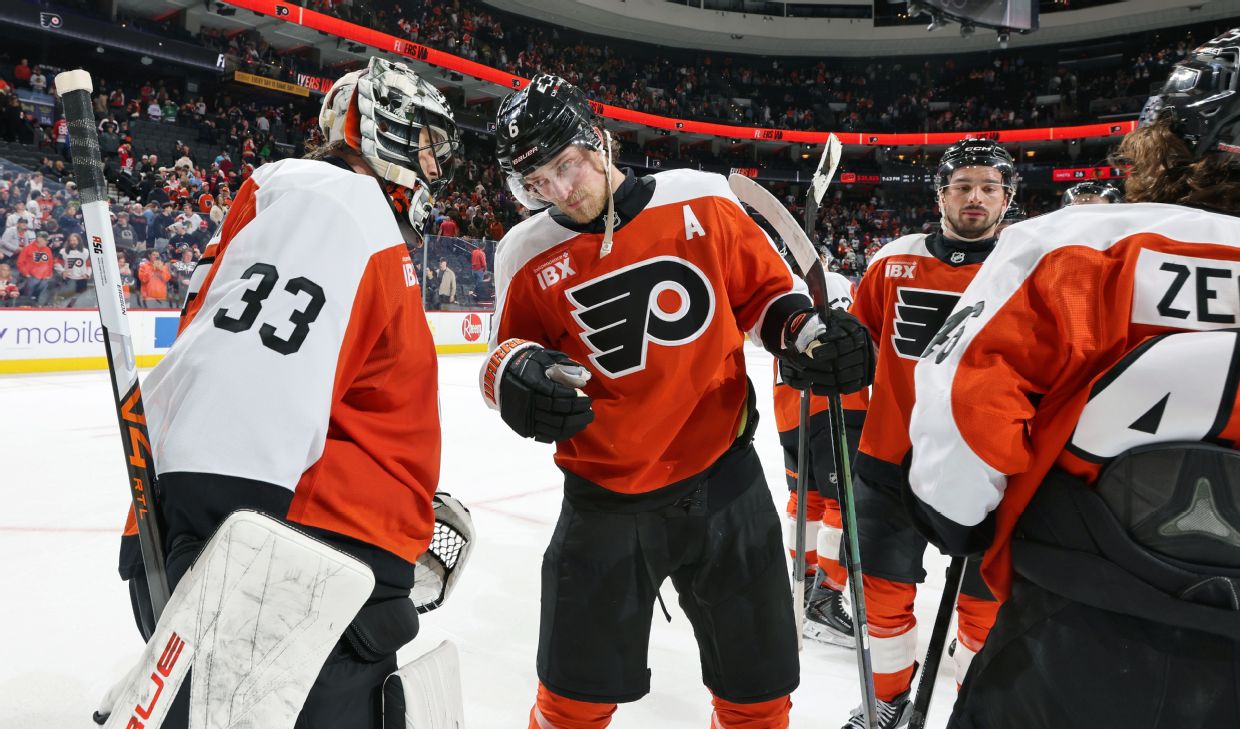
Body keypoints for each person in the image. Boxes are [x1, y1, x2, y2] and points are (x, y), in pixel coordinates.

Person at [908, 26, 1240, 729]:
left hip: (1077, 623)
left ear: (1176, 138)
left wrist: (958, 517)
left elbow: (964, 402)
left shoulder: (1077, 241)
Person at [481, 73, 871, 729]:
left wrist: (808, 334)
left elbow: (766, 297)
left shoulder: (701, 197)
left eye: (565, 165)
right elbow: (504, 354)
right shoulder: (523, 251)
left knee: (758, 695)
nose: (559, 190)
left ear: (597, 140)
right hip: (605, 497)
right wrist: (515, 375)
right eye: (537, 181)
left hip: (724, 478)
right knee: (572, 701)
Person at [121, 57, 466, 728]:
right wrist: (216, 563)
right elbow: (237, 398)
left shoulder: (343, 216)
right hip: (290, 591)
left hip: (314, 584)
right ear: (380, 131)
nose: (434, 165)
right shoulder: (331, 200)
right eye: (424, 142)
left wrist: (395, 501)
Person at [843, 139, 1012, 728]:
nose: (975, 197)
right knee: (879, 592)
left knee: (986, 608)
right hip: (891, 459)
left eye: (989, 187)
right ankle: (887, 698)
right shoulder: (894, 259)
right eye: (962, 186)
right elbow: (858, 343)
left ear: (1007, 198)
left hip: (993, 466)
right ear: (940, 195)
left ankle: (974, 707)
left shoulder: (1030, 261)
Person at [772, 265, 867, 648]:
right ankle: (824, 599)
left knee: (805, 500)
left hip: (789, 407)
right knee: (843, 503)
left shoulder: (780, 285)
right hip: (834, 403)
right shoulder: (837, 283)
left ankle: (804, 586)